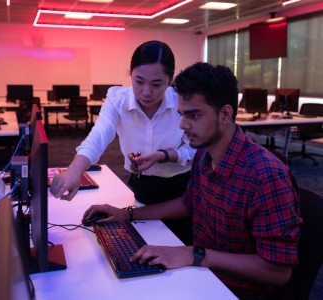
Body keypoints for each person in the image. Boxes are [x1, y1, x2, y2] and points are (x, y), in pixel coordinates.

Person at [82, 62, 303, 299]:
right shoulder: (204, 157)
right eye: (181, 114)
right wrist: (128, 214)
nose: (182, 125)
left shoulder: (266, 176)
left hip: (237, 291)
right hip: (202, 276)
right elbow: (189, 202)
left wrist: (195, 254)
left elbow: (278, 272)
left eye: (193, 115)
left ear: (225, 114)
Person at [50, 40, 196, 245]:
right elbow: (98, 136)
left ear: (170, 80)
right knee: (143, 246)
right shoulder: (117, 99)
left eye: (157, 84)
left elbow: (194, 150)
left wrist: (163, 155)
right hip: (141, 185)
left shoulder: (181, 101)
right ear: (130, 74)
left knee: (179, 249)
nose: (146, 92)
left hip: (180, 191)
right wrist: (75, 170)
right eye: (139, 81)